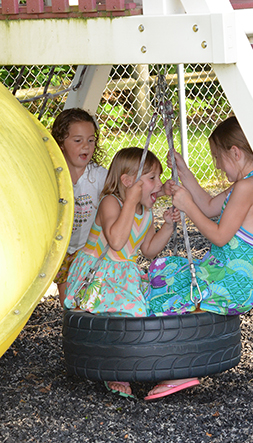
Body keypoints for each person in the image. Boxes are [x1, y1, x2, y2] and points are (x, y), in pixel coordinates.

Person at [144, 116, 253, 401]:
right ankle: (176, 359)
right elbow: (208, 204)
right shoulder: (250, 181)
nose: (216, 164)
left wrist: (187, 206)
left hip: (230, 280)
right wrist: (184, 171)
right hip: (223, 272)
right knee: (168, 271)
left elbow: (219, 236)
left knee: (169, 287)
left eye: (217, 157)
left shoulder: (247, 187)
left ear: (235, 153)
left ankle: (183, 366)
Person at [63, 147, 181, 398]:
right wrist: (129, 200)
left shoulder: (146, 213)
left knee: (148, 308)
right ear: (128, 182)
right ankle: (115, 369)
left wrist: (168, 227)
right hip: (97, 276)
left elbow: (148, 250)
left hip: (123, 276)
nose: (158, 185)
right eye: (152, 178)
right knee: (131, 312)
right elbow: (116, 241)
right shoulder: (111, 202)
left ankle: (136, 359)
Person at [52, 108, 108, 307]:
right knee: (67, 300)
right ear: (61, 144)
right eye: (78, 140)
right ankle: (72, 328)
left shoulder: (99, 176)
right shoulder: (53, 176)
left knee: (93, 297)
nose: (86, 146)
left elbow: (122, 190)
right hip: (61, 249)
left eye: (91, 140)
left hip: (90, 248)